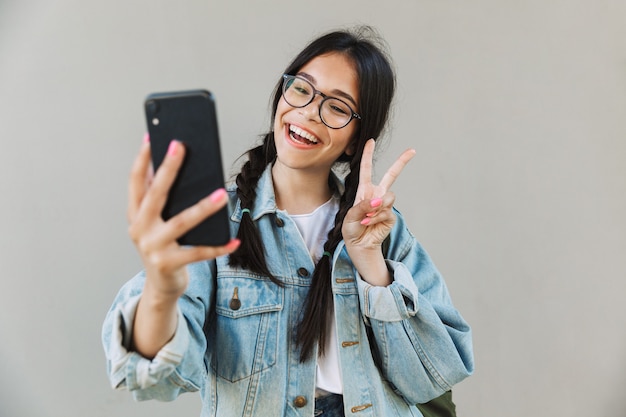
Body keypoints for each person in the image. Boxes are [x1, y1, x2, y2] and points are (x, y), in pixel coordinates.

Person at [102, 26, 474, 417]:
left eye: (337, 107)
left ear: (354, 139)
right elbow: (155, 379)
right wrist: (161, 288)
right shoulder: (217, 222)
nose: (309, 111)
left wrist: (370, 265)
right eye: (301, 89)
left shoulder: (382, 230)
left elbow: (434, 377)